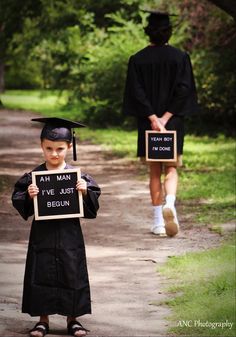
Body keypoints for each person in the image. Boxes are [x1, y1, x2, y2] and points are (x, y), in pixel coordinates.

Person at [12, 117, 101, 337]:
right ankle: (43, 321)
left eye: (60, 149)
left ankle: (73, 320)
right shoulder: (34, 177)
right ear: (41, 146)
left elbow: (92, 206)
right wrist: (30, 196)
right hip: (42, 235)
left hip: (70, 235)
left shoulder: (77, 177)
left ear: (69, 147)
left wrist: (84, 192)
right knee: (41, 270)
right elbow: (20, 201)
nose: (54, 153)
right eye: (49, 148)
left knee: (72, 271)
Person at [123, 10, 198, 237]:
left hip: (149, 125)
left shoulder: (137, 60)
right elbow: (184, 90)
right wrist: (165, 118)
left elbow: (136, 92)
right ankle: (171, 204)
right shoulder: (181, 57)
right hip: (172, 122)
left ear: (148, 32)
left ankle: (157, 222)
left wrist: (153, 118)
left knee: (154, 170)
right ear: (169, 32)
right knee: (172, 168)